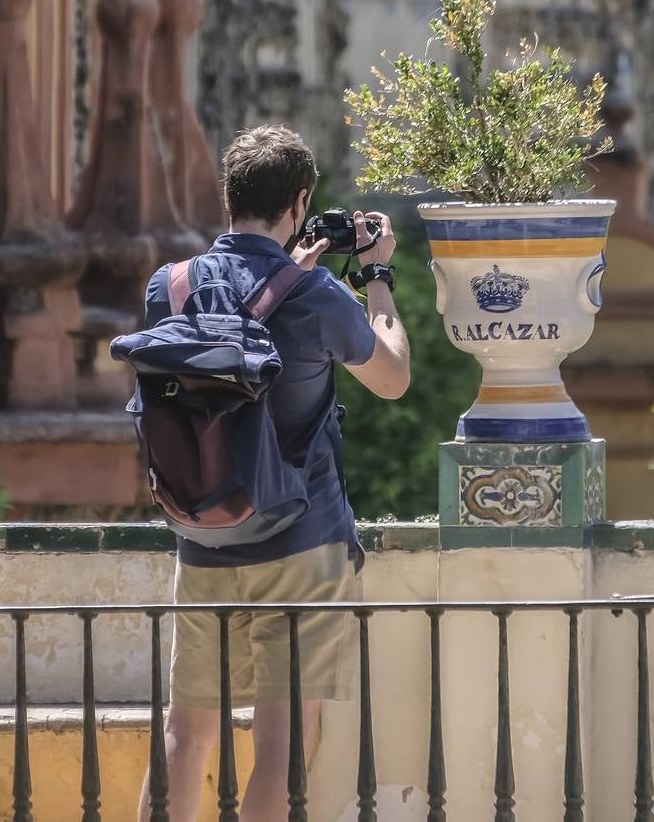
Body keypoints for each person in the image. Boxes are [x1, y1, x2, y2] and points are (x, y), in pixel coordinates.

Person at [135, 124, 411, 822]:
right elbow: (393, 376)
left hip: (202, 538)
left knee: (185, 731)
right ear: (300, 200)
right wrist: (376, 277)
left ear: (229, 197)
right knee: (283, 742)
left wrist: (291, 266)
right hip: (302, 542)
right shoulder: (315, 295)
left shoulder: (165, 289)